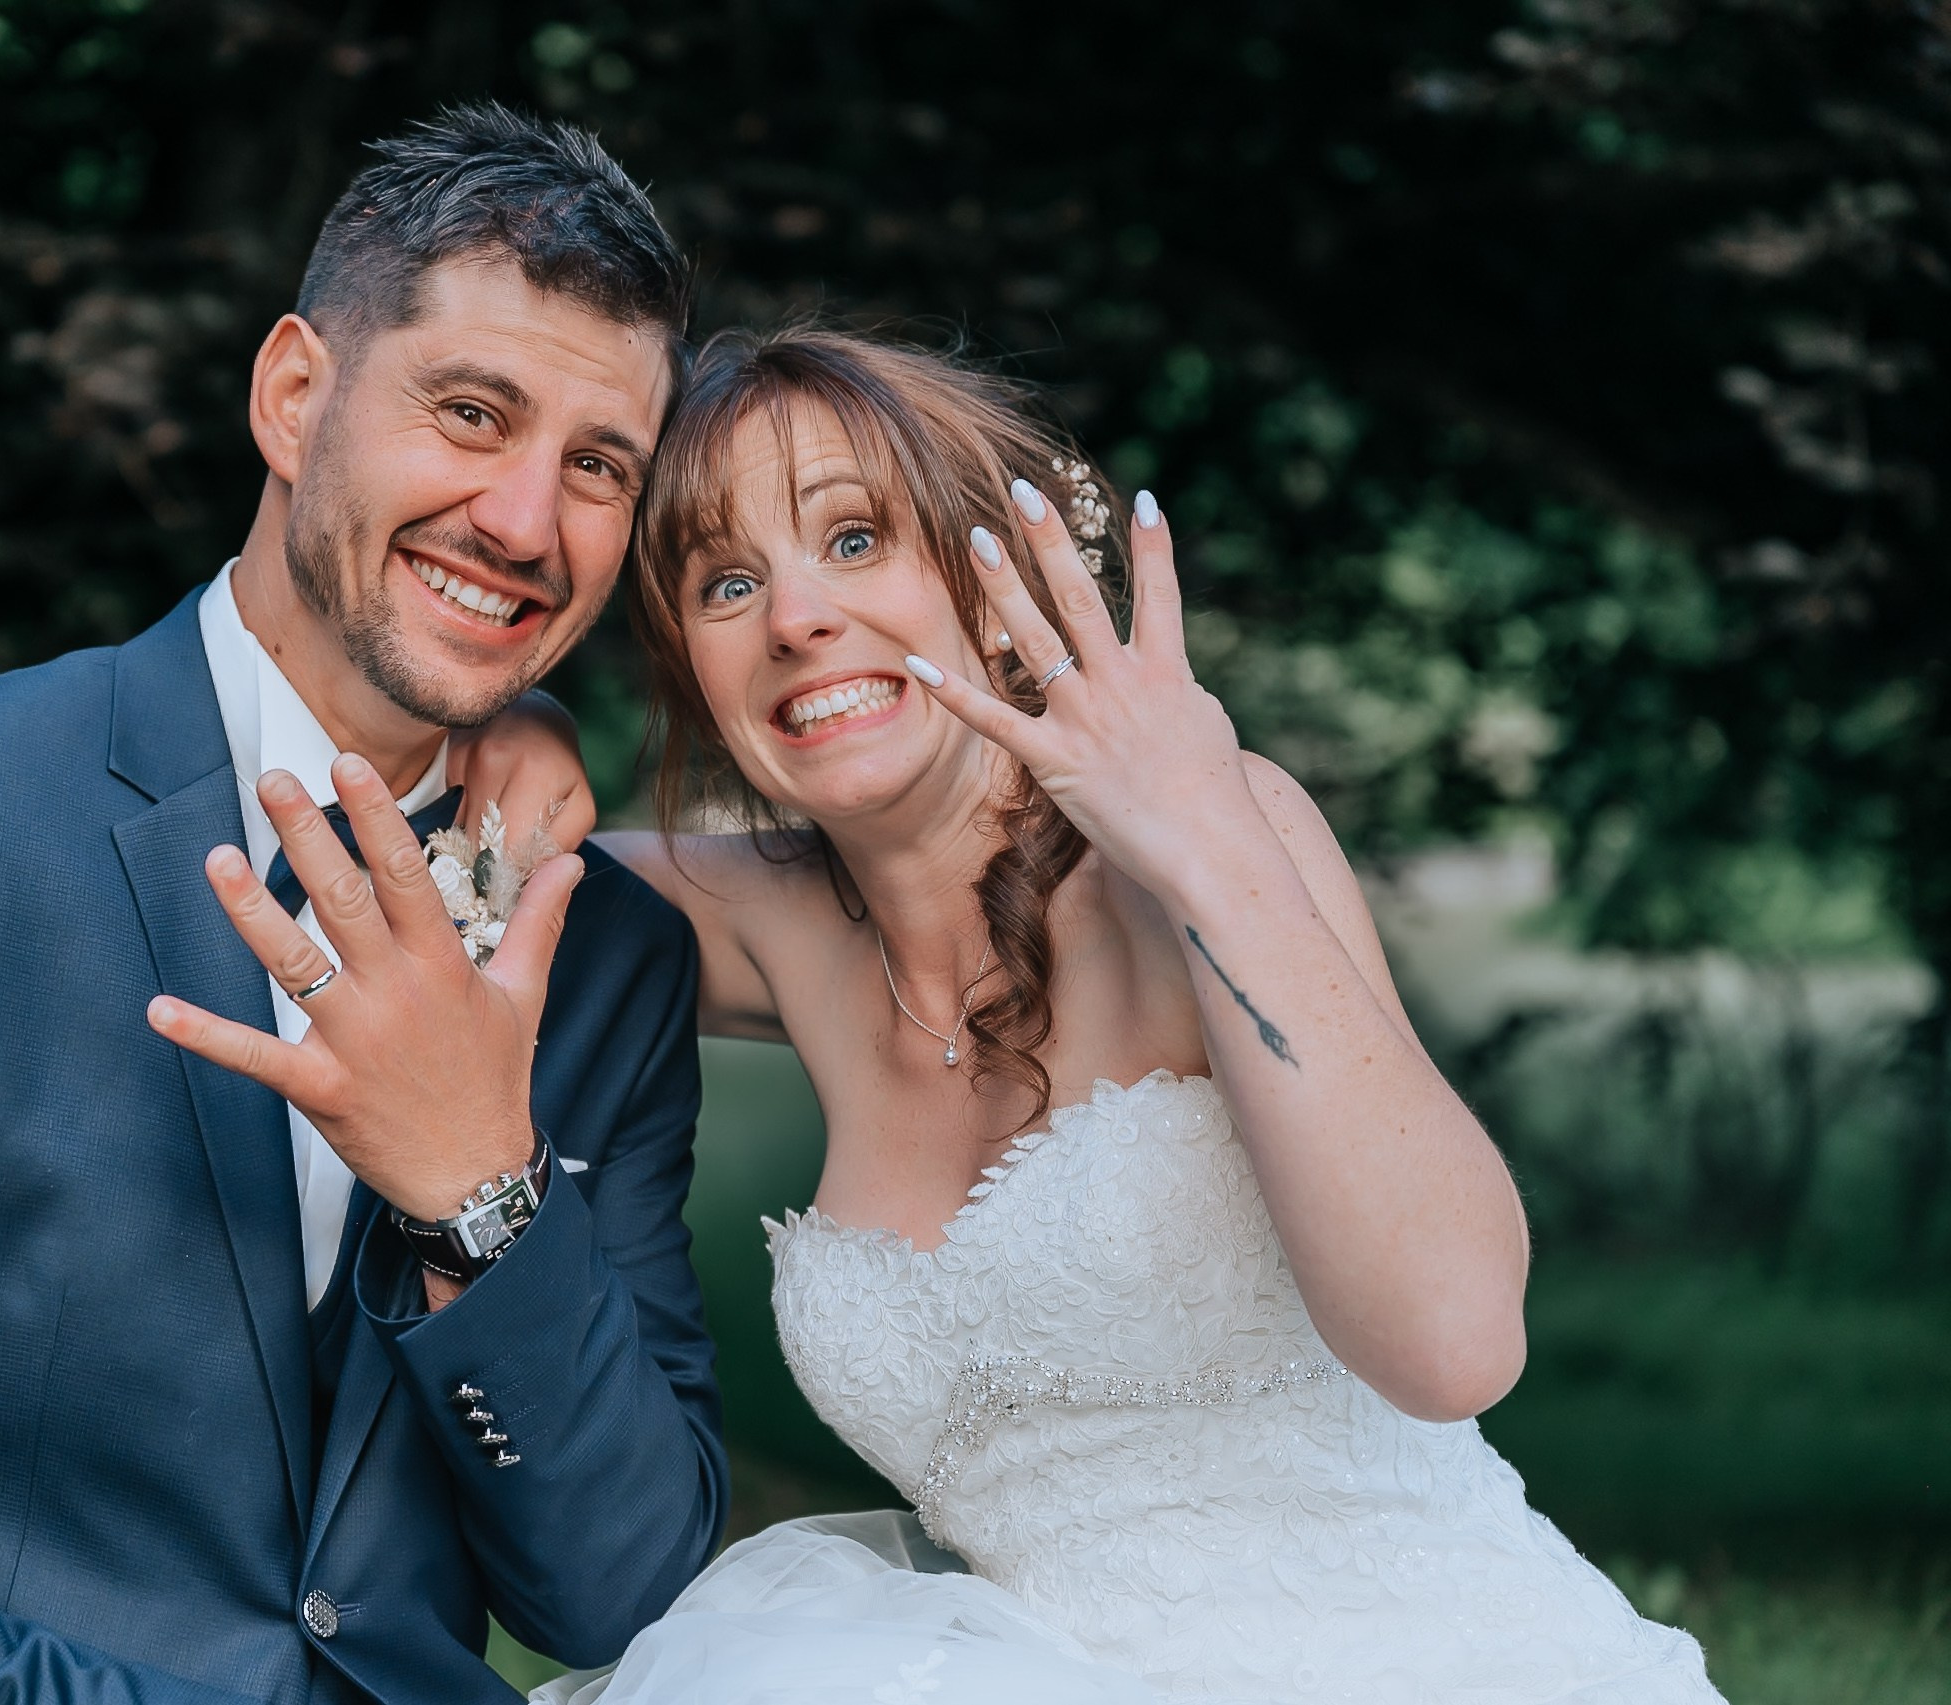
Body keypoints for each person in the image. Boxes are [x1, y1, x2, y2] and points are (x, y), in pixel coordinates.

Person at [0, 104, 726, 1705]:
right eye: (472, 414)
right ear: (292, 395)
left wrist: (484, 1192)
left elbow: (627, 1591)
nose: (527, 522)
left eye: (597, 465)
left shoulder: (603, 955)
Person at [472, 326, 1727, 1703]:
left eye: (852, 540)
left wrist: (1206, 849)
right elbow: (481, 857)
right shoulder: (769, 921)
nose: (795, 619)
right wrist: (521, 723)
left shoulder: (1200, 839)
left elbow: (1457, 1342)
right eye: (726, 581)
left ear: (987, 574)